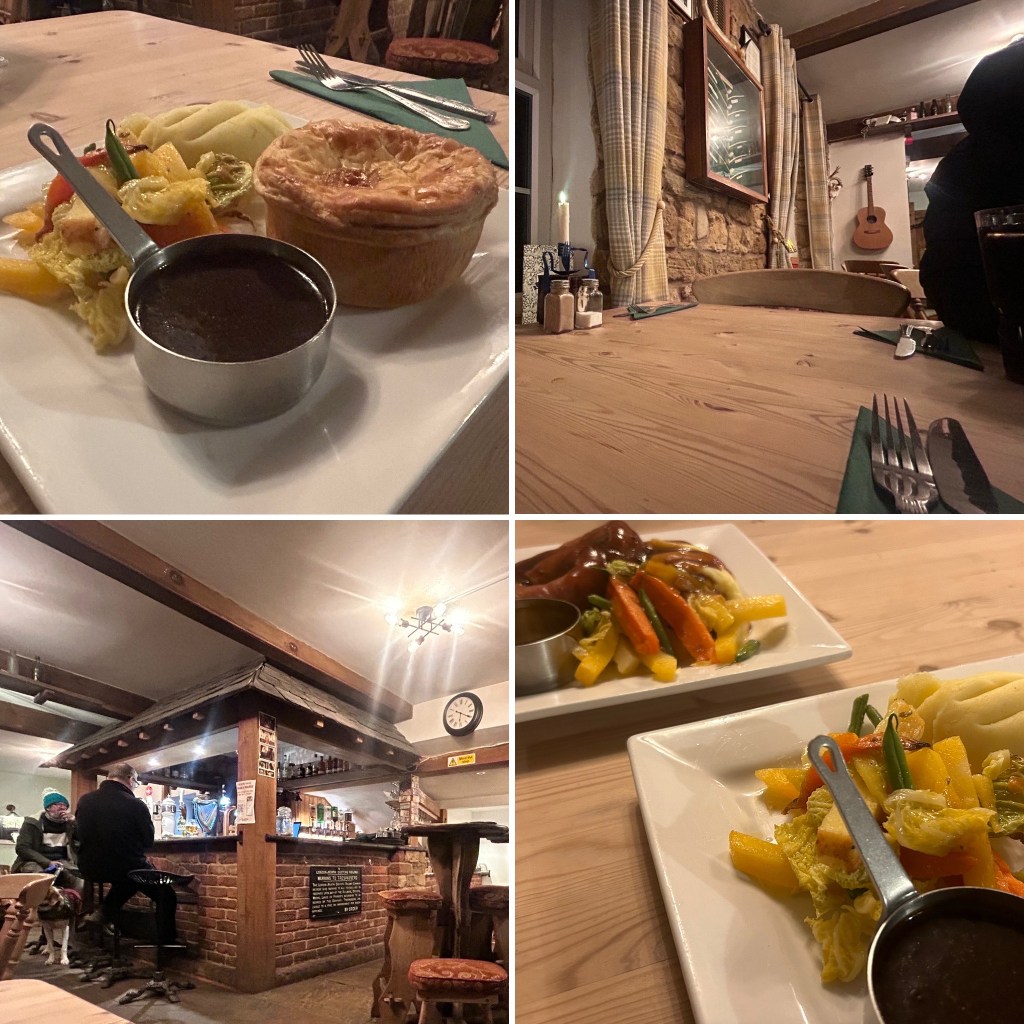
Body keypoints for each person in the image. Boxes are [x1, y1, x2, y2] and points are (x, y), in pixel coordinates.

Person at [919, 39, 1024, 343]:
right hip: (992, 340)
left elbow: (944, 282)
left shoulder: (961, 162)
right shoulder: (965, 166)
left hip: (979, 333)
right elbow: (949, 280)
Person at [74, 763, 178, 944]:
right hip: (124, 867)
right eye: (136, 783)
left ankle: (103, 914)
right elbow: (147, 841)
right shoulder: (135, 804)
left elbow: (77, 835)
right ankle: (166, 944)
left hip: (89, 867)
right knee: (164, 893)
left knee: (129, 876)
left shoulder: (84, 800)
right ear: (130, 779)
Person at [11, 788, 81, 890]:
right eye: (57, 804)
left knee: (79, 879)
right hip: (35, 861)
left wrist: (75, 823)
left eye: (64, 805)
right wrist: (48, 863)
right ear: (48, 808)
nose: (62, 807)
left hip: (62, 861)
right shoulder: (32, 823)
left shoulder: (69, 824)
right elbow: (22, 848)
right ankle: (39, 904)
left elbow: (82, 840)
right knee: (41, 879)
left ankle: (74, 904)